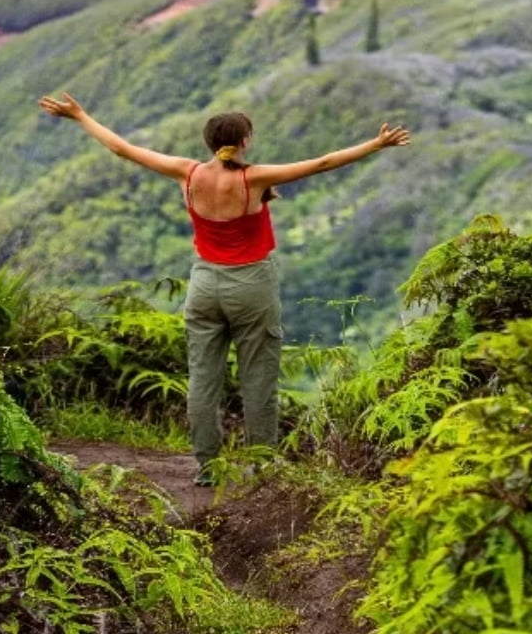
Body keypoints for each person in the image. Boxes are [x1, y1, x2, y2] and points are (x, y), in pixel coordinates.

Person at [37, 93, 409, 482]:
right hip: (251, 284)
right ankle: (262, 465)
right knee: (258, 377)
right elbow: (323, 163)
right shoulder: (253, 178)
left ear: (209, 143)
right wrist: (376, 144)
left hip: (204, 284)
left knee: (203, 378)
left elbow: (122, 148)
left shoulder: (188, 173)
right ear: (244, 141)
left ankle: (207, 467)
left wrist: (80, 115)